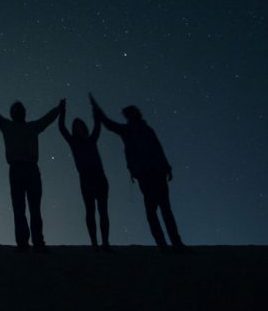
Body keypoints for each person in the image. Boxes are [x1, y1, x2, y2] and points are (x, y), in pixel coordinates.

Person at [91, 93, 189, 252]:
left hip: (154, 172)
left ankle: (171, 243)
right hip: (147, 173)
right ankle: (166, 243)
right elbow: (110, 125)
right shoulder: (132, 129)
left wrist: (167, 167)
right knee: (158, 209)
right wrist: (98, 112)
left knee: (161, 209)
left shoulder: (140, 129)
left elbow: (157, 148)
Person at [0, 84, 65, 252]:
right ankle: (27, 243)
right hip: (20, 169)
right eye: (17, 110)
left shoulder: (27, 126)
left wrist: (58, 109)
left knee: (31, 208)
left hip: (28, 169)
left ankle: (35, 242)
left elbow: (47, 119)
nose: (19, 112)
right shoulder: (13, 126)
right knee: (22, 208)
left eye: (20, 109)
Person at [58, 99, 111, 251]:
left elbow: (98, 125)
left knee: (103, 211)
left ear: (84, 128)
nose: (77, 128)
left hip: (100, 177)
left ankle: (105, 243)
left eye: (80, 126)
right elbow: (62, 128)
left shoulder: (92, 139)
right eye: (75, 126)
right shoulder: (73, 142)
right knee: (90, 211)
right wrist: (63, 112)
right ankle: (94, 243)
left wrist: (95, 110)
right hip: (86, 179)